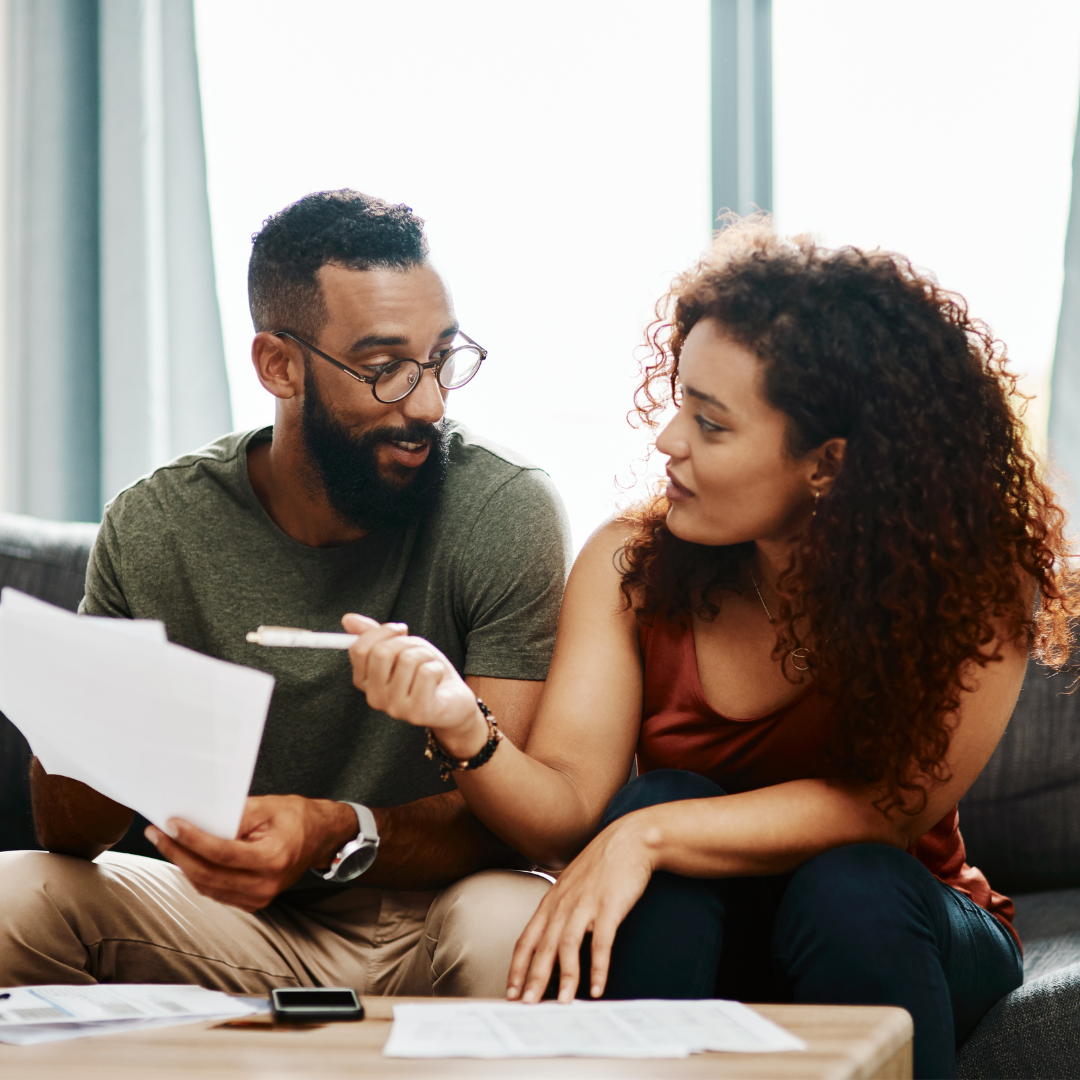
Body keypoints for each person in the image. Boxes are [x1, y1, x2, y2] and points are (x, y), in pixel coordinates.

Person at [342, 220, 1077, 1078]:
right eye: (678, 400)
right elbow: (569, 809)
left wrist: (646, 835)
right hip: (701, 933)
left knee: (850, 883)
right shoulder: (633, 563)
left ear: (828, 464)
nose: (668, 442)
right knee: (663, 803)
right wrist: (462, 723)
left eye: (712, 424)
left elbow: (886, 809)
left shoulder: (972, 581)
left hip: (899, 924)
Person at [0, 190, 570, 998]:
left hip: (436, 912)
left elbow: (512, 822)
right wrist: (87, 704)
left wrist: (337, 831)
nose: (429, 403)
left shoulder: (503, 508)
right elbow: (69, 835)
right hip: (230, 915)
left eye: (443, 358)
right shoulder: (158, 525)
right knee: (12, 896)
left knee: (511, 923)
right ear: (279, 365)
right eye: (384, 370)